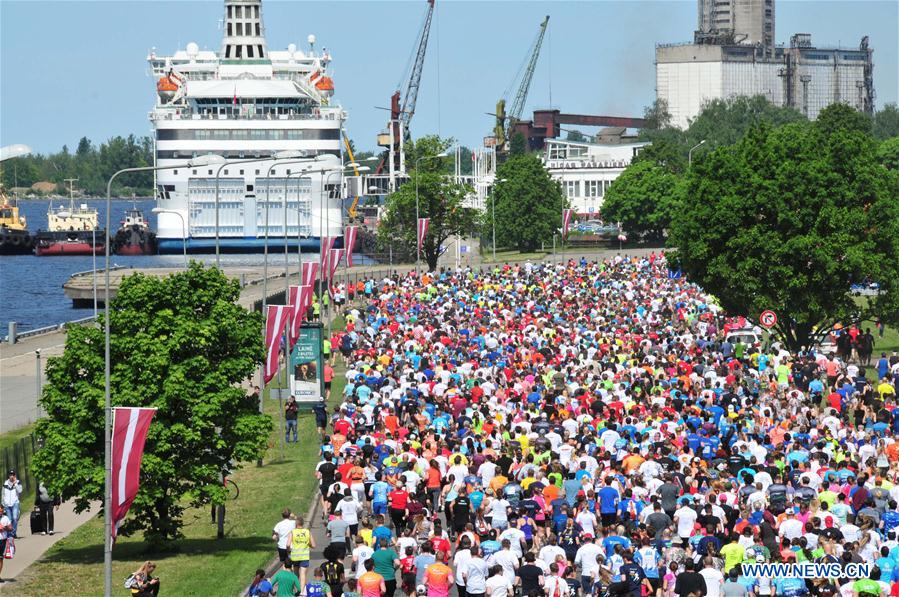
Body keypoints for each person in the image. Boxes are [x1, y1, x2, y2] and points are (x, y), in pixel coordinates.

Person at [288, 515, 315, 587]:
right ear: (303, 524)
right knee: (303, 574)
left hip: (295, 556)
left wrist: (288, 551)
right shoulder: (307, 532)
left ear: (296, 524)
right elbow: (314, 545)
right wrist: (308, 544)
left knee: (296, 574)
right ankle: (302, 592)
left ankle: (296, 589)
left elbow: (288, 544)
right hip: (304, 556)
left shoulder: (292, 532)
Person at [1, 470, 22, 539]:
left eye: (13, 475)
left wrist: (15, 484)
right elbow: (3, 494)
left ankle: (13, 533)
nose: (11, 476)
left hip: (15, 503)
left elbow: (20, 491)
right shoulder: (5, 483)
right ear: (9, 476)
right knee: (9, 520)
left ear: (15, 476)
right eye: (10, 475)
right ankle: (10, 534)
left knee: (15, 518)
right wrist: (3, 503)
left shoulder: (18, 482)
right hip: (7, 504)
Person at [0, 505, 11, 583]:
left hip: (2, 540)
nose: (0, 512)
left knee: (0, 559)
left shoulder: (5, 518)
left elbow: (10, 528)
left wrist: (5, 528)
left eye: (1, 510)